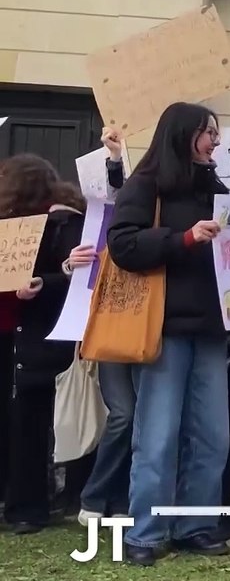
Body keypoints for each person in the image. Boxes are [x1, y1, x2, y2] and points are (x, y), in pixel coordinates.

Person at [107, 102, 230, 565]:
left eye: (217, 133)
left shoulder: (218, 188)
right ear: (182, 135)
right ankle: (144, 534)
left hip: (212, 330)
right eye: (207, 133)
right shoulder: (146, 185)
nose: (215, 141)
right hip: (163, 329)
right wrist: (182, 239)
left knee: (213, 436)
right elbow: (122, 243)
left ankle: (195, 525)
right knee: (157, 436)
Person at [2, 156, 92, 533]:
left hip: (33, 334)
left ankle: (29, 505)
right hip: (35, 335)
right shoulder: (62, 221)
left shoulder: (59, 223)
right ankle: (37, 502)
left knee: (31, 422)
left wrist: (46, 281)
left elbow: (72, 275)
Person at [79, 126, 135, 524]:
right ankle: (94, 499)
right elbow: (120, 195)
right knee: (124, 415)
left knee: (146, 418)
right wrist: (115, 158)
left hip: (151, 326)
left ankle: (120, 501)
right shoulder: (106, 224)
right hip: (114, 328)